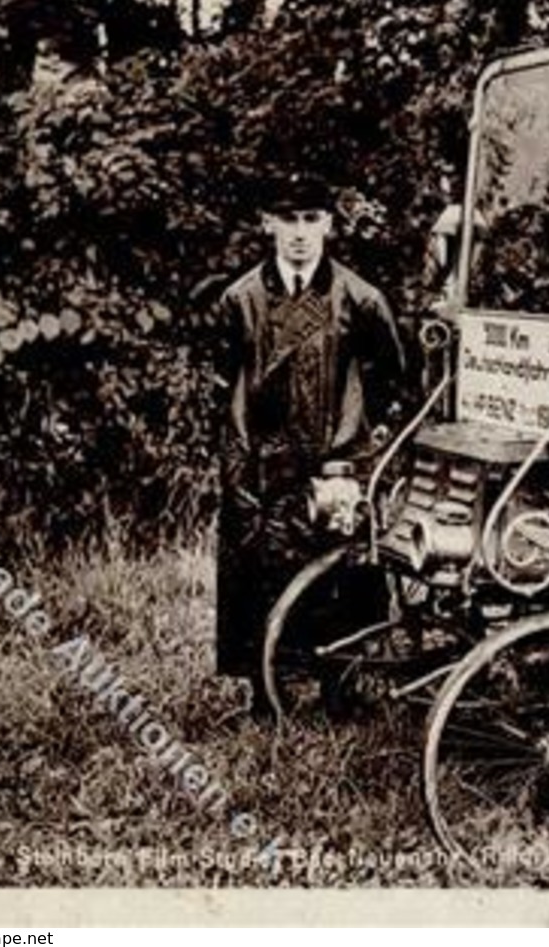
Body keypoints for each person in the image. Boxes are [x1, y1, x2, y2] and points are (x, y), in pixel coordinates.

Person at [213, 169, 407, 712]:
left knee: (345, 574)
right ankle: (266, 693)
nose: (299, 233)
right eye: (287, 220)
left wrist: (357, 447)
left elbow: (392, 376)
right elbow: (225, 388)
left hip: (336, 462)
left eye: (311, 219)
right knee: (256, 565)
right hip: (262, 462)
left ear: (328, 225)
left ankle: (342, 690)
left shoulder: (361, 299)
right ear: (267, 225)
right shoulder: (239, 300)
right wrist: (239, 464)